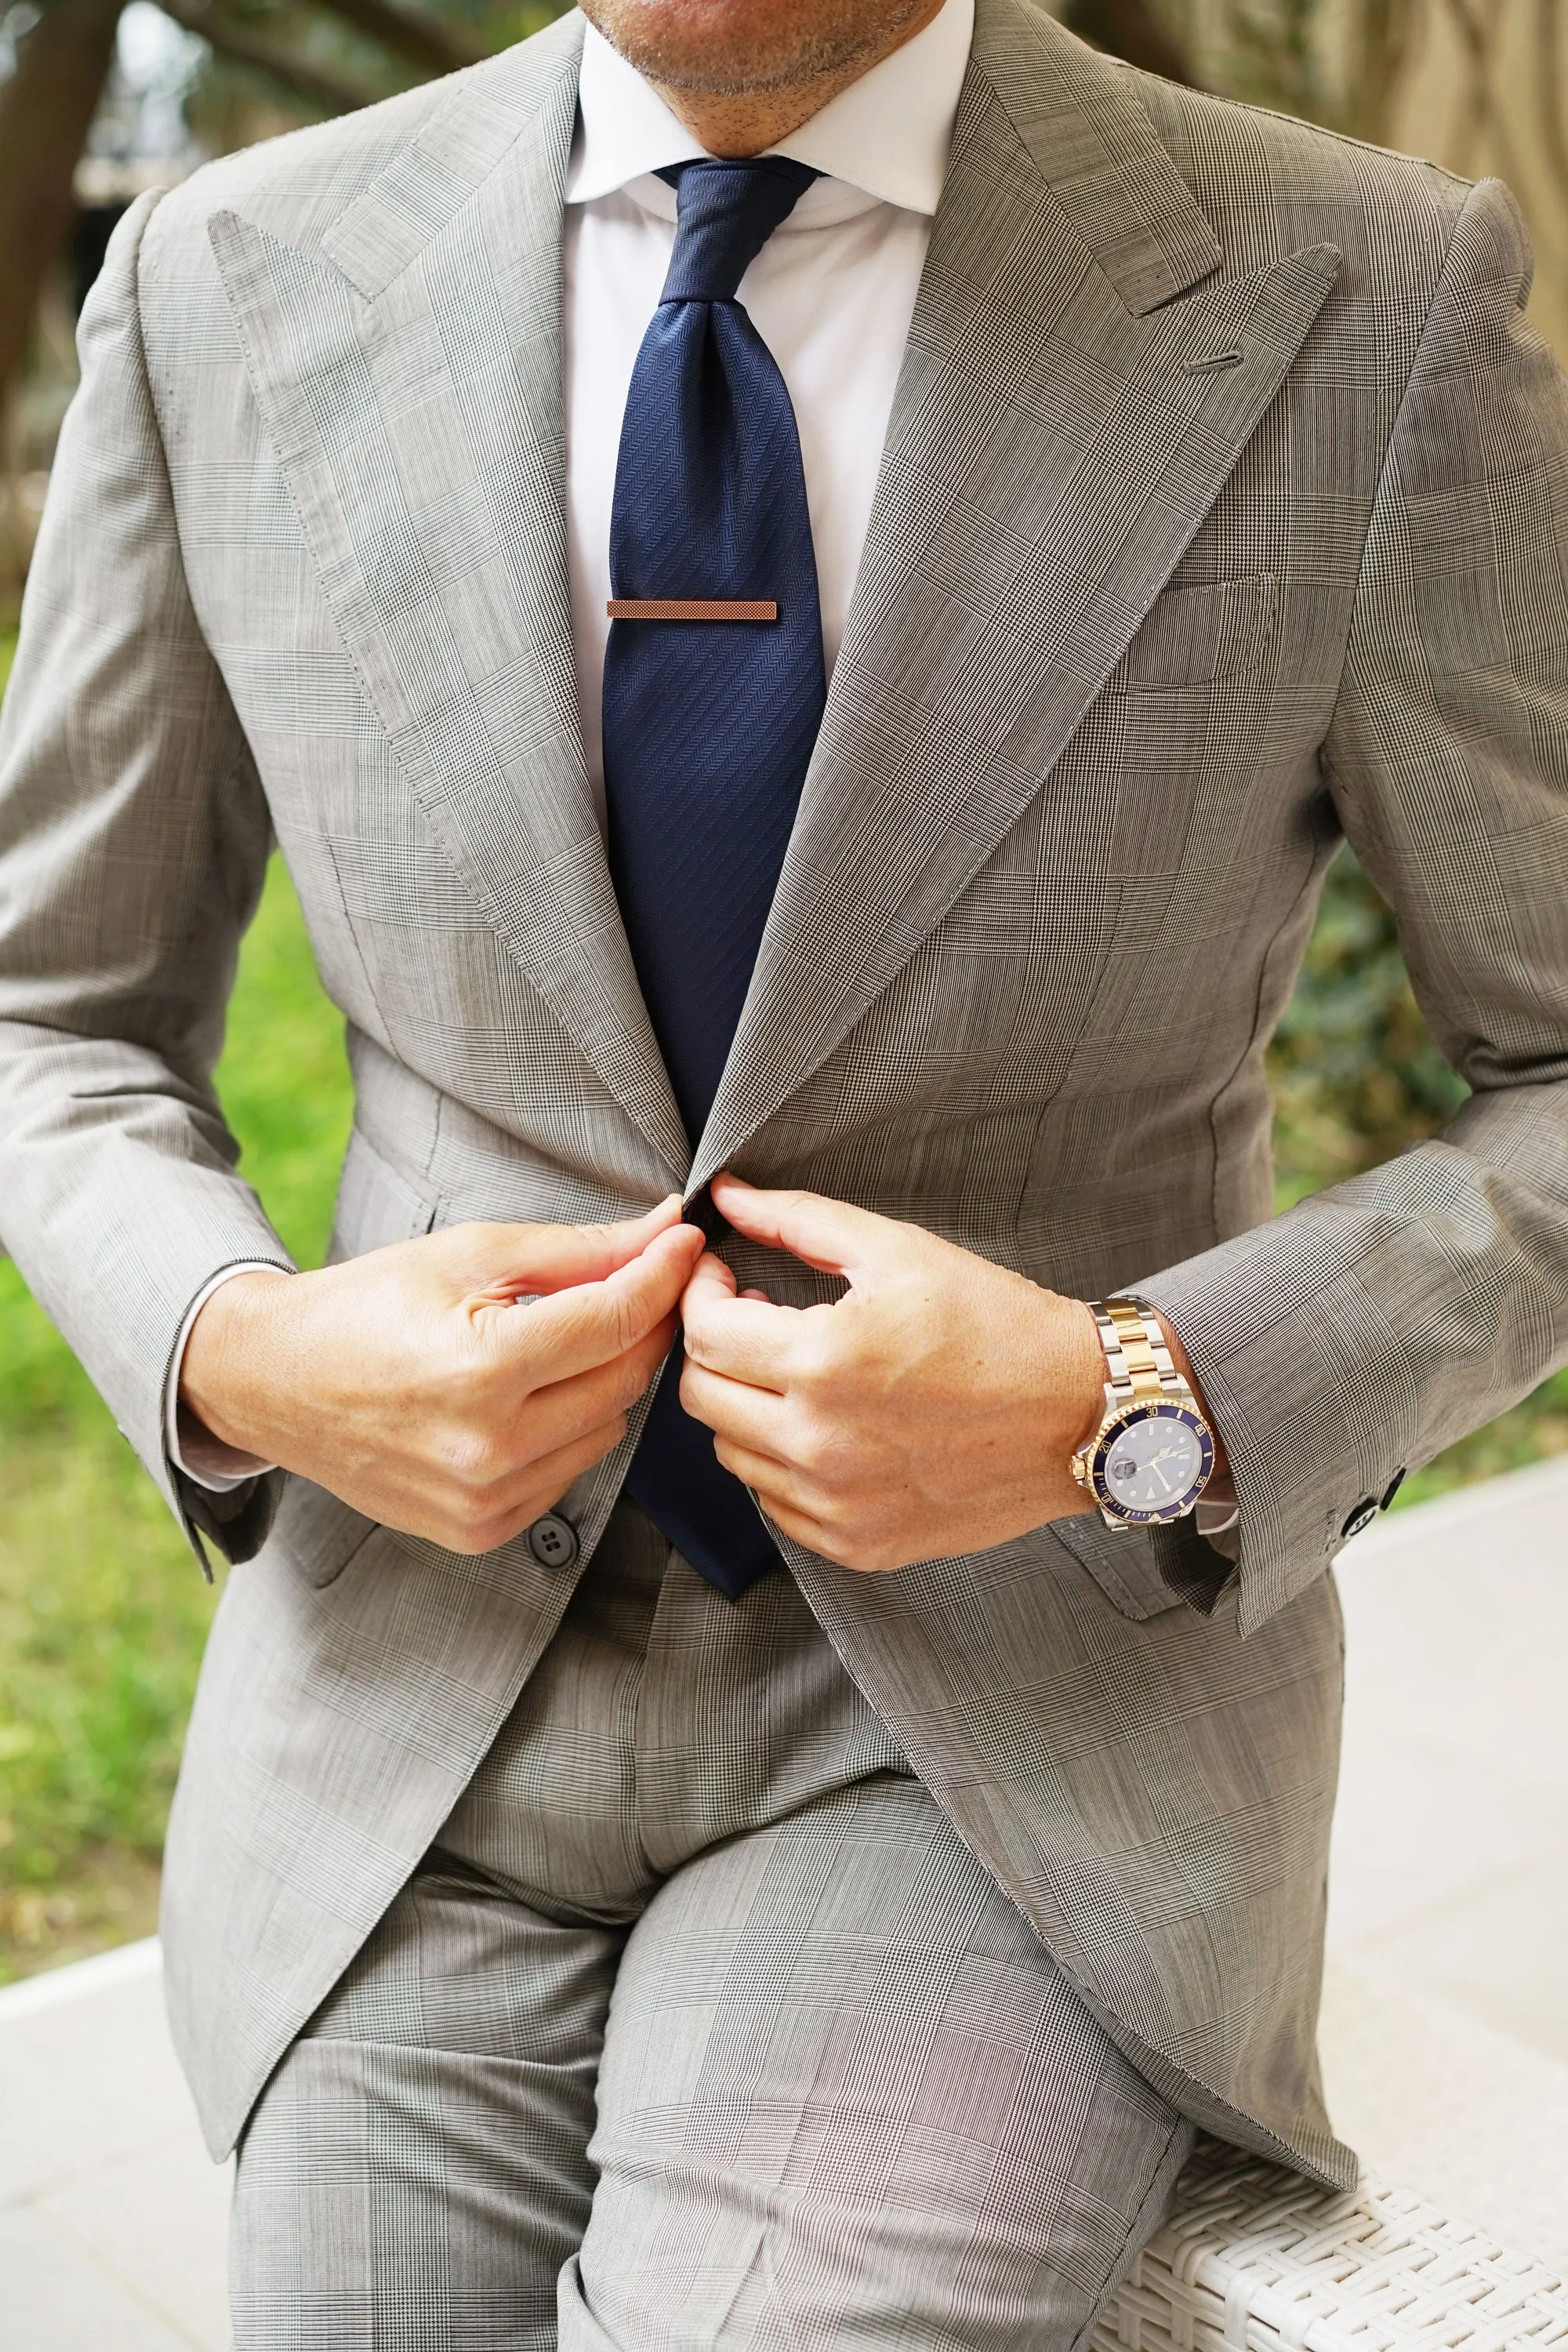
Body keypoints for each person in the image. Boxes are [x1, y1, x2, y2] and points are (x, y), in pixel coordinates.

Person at [2, 0, 1567, 2339]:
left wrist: (1131, 1392)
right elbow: (55, 1019)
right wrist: (241, 1350)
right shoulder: (221, 274)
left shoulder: (1361, 296)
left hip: (999, 1733)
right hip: (408, 1725)